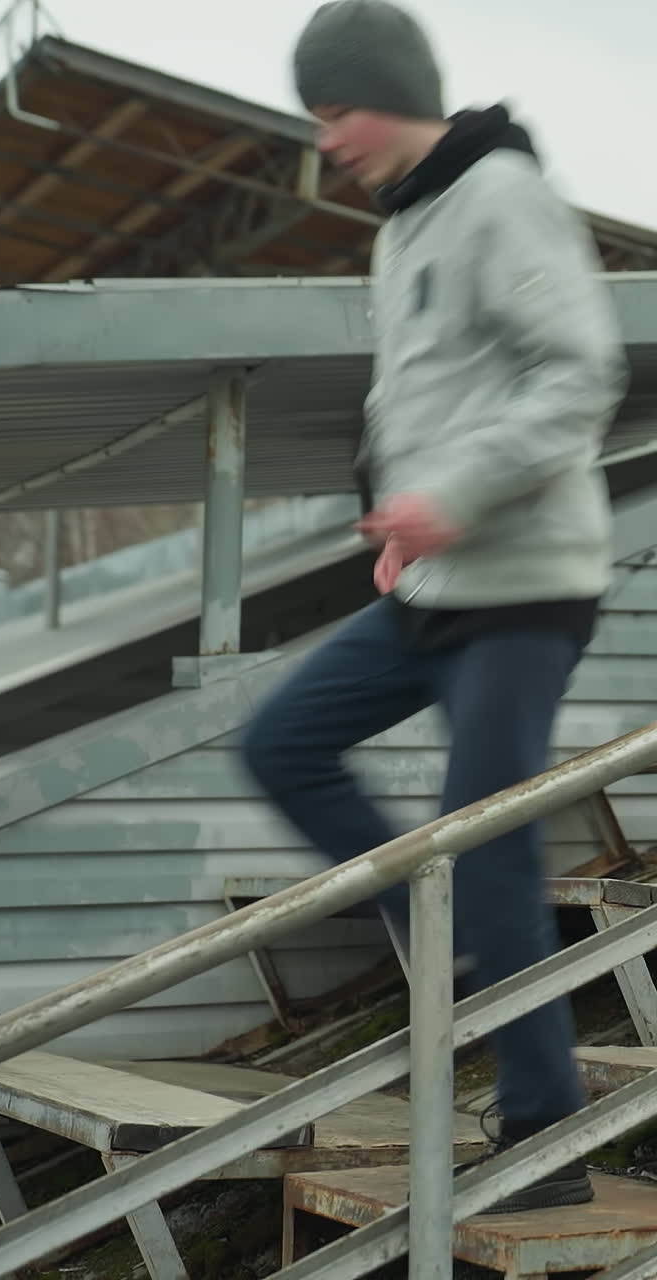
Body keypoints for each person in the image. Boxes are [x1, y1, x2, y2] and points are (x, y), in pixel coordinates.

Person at [241, 0, 627, 1212]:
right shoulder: (403, 224)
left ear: (392, 92)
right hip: (433, 583)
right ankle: (437, 920)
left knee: (486, 837)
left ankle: (546, 1144)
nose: (329, 144)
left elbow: (582, 369)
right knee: (280, 740)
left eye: (335, 114)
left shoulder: (500, 197)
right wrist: (396, 515)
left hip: (525, 589)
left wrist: (451, 497)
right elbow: (418, 394)